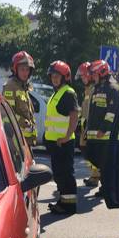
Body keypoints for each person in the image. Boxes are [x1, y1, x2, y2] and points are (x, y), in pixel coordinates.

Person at [45, 61, 80, 215]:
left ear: (65, 77)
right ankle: (63, 202)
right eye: (52, 75)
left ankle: (69, 206)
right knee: (59, 175)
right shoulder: (57, 93)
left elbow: (74, 116)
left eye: (57, 75)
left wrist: (66, 137)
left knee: (66, 175)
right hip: (57, 144)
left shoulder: (68, 93)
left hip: (63, 143)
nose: (54, 78)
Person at [84, 59, 119, 199]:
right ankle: (106, 188)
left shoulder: (112, 88)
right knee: (93, 159)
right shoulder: (97, 87)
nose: (92, 76)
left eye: (94, 74)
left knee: (105, 166)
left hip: (104, 136)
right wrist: (87, 129)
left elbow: (111, 113)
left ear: (102, 73)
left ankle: (107, 190)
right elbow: (92, 112)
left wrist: (103, 129)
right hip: (93, 135)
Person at [3, 51, 37, 146]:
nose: (25, 73)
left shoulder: (23, 87)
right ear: (15, 69)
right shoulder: (10, 86)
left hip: (25, 140)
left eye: (27, 70)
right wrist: (24, 123)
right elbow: (6, 113)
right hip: (16, 140)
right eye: (22, 69)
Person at [76, 61, 101, 188]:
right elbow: (85, 108)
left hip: (90, 127)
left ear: (89, 75)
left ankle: (96, 176)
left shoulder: (93, 89)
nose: (82, 78)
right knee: (85, 150)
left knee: (89, 151)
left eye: (83, 76)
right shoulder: (87, 89)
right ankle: (94, 175)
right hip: (85, 126)